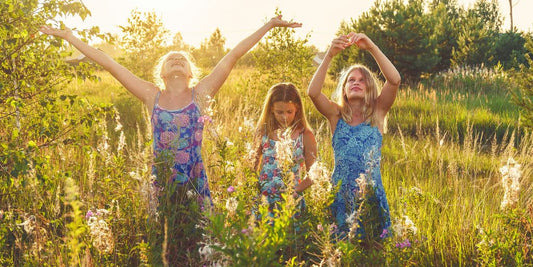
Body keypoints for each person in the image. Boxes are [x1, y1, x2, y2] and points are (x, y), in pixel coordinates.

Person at [40, 16, 302, 264]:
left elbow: (233, 54)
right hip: (162, 179)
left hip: (194, 178)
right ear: (162, 74)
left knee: (200, 238)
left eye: (182, 59)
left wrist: (269, 25)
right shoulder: (151, 95)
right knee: (165, 239)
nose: (177, 59)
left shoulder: (201, 94)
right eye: (171, 59)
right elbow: (109, 63)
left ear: (190, 73)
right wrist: (69, 36)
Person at [307, 33, 401, 240]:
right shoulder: (335, 115)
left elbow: (394, 80)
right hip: (340, 196)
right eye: (351, 80)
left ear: (369, 87)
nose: (356, 83)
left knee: (372, 250)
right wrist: (329, 55)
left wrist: (372, 47)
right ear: (344, 88)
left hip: (370, 195)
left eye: (361, 80)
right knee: (341, 251)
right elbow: (313, 93)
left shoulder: (378, 113)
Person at [253, 82, 317, 214]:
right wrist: (254, 191)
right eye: (279, 112)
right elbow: (252, 167)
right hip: (264, 200)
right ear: (271, 109)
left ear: (297, 108)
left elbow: (314, 174)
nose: (285, 117)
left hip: (290, 202)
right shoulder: (263, 132)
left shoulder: (305, 135)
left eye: (289, 112)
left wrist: (295, 191)